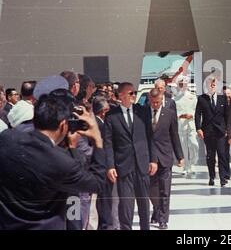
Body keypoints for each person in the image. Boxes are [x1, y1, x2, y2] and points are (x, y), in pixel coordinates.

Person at [0, 89, 106, 229]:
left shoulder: (6, 139)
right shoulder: (60, 162)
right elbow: (97, 183)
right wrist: (97, 140)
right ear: (63, 125)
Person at [104, 82, 157, 230]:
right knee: (126, 206)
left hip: (142, 164)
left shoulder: (142, 111)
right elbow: (108, 144)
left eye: (134, 93)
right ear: (121, 95)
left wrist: (153, 160)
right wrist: (110, 166)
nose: (134, 95)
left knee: (144, 204)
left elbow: (150, 137)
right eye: (131, 93)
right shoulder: (111, 116)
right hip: (123, 166)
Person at [148, 89, 184, 229]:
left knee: (165, 189)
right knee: (151, 189)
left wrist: (179, 156)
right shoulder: (144, 114)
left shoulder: (169, 114)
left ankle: (163, 218)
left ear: (162, 99)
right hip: (150, 158)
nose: (155, 105)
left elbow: (174, 135)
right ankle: (156, 209)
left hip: (165, 156)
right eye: (153, 102)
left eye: (157, 102)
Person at [195, 77, 229, 186]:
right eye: (210, 84)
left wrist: (228, 129)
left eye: (214, 84)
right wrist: (198, 128)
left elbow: (227, 115)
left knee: (222, 154)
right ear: (206, 86)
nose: (212, 86)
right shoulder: (201, 98)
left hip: (220, 131)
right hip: (208, 131)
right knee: (210, 155)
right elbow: (197, 114)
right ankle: (212, 177)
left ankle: (223, 178)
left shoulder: (222, 98)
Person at [92, 96, 115, 230]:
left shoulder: (95, 123)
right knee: (105, 200)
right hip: (103, 167)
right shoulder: (100, 125)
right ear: (104, 111)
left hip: (98, 167)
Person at [173, 75, 198, 175]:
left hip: (191, 123)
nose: (183, 85)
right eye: (181, 84)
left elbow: (197, 111)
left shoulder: (192, 96)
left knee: (194, 144)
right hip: (181, 124)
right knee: (183, 146)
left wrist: (191, 115)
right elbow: (174, 113)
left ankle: (192, 163)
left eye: (184, 83)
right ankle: (186, 166)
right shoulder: (175, 99)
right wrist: (181, 115)